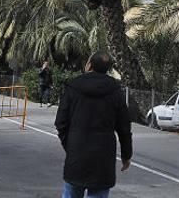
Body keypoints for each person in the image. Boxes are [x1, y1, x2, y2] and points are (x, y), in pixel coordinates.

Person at [55, 53, 132, 198]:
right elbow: (124, 127)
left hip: (76, 153)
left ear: (89, 65)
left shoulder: (73, 86)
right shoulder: (116, 91)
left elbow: (61, 122)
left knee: (72, 191)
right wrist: (126, 155)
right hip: (103, 157)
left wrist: (69, 145)